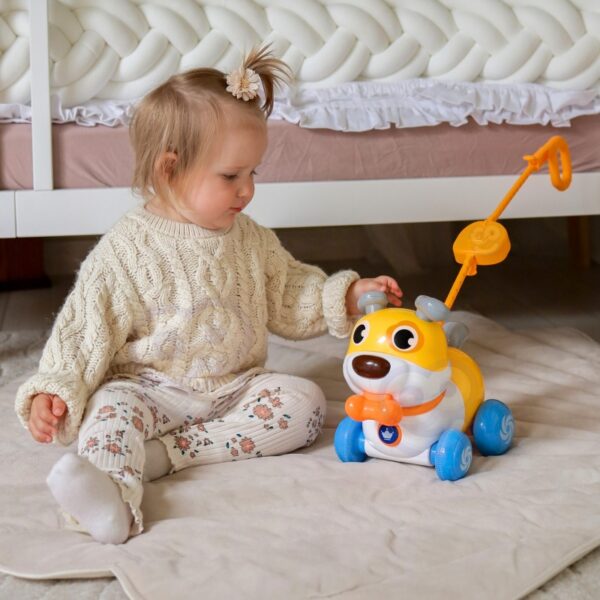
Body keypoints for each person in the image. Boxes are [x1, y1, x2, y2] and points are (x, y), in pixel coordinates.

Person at [15, 45, 403, 545]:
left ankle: (167, 456)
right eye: (230, 176)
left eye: (252, 174)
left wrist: (345, 295)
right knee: (108, 411)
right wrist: (54, 388)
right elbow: (86, 326)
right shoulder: (127, 248)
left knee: (304, 404)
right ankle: (108, 498)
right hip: (149, 388)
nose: (247, 190)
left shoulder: (251, 238)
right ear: (169, 169)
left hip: (235, 388)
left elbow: (290, 290)